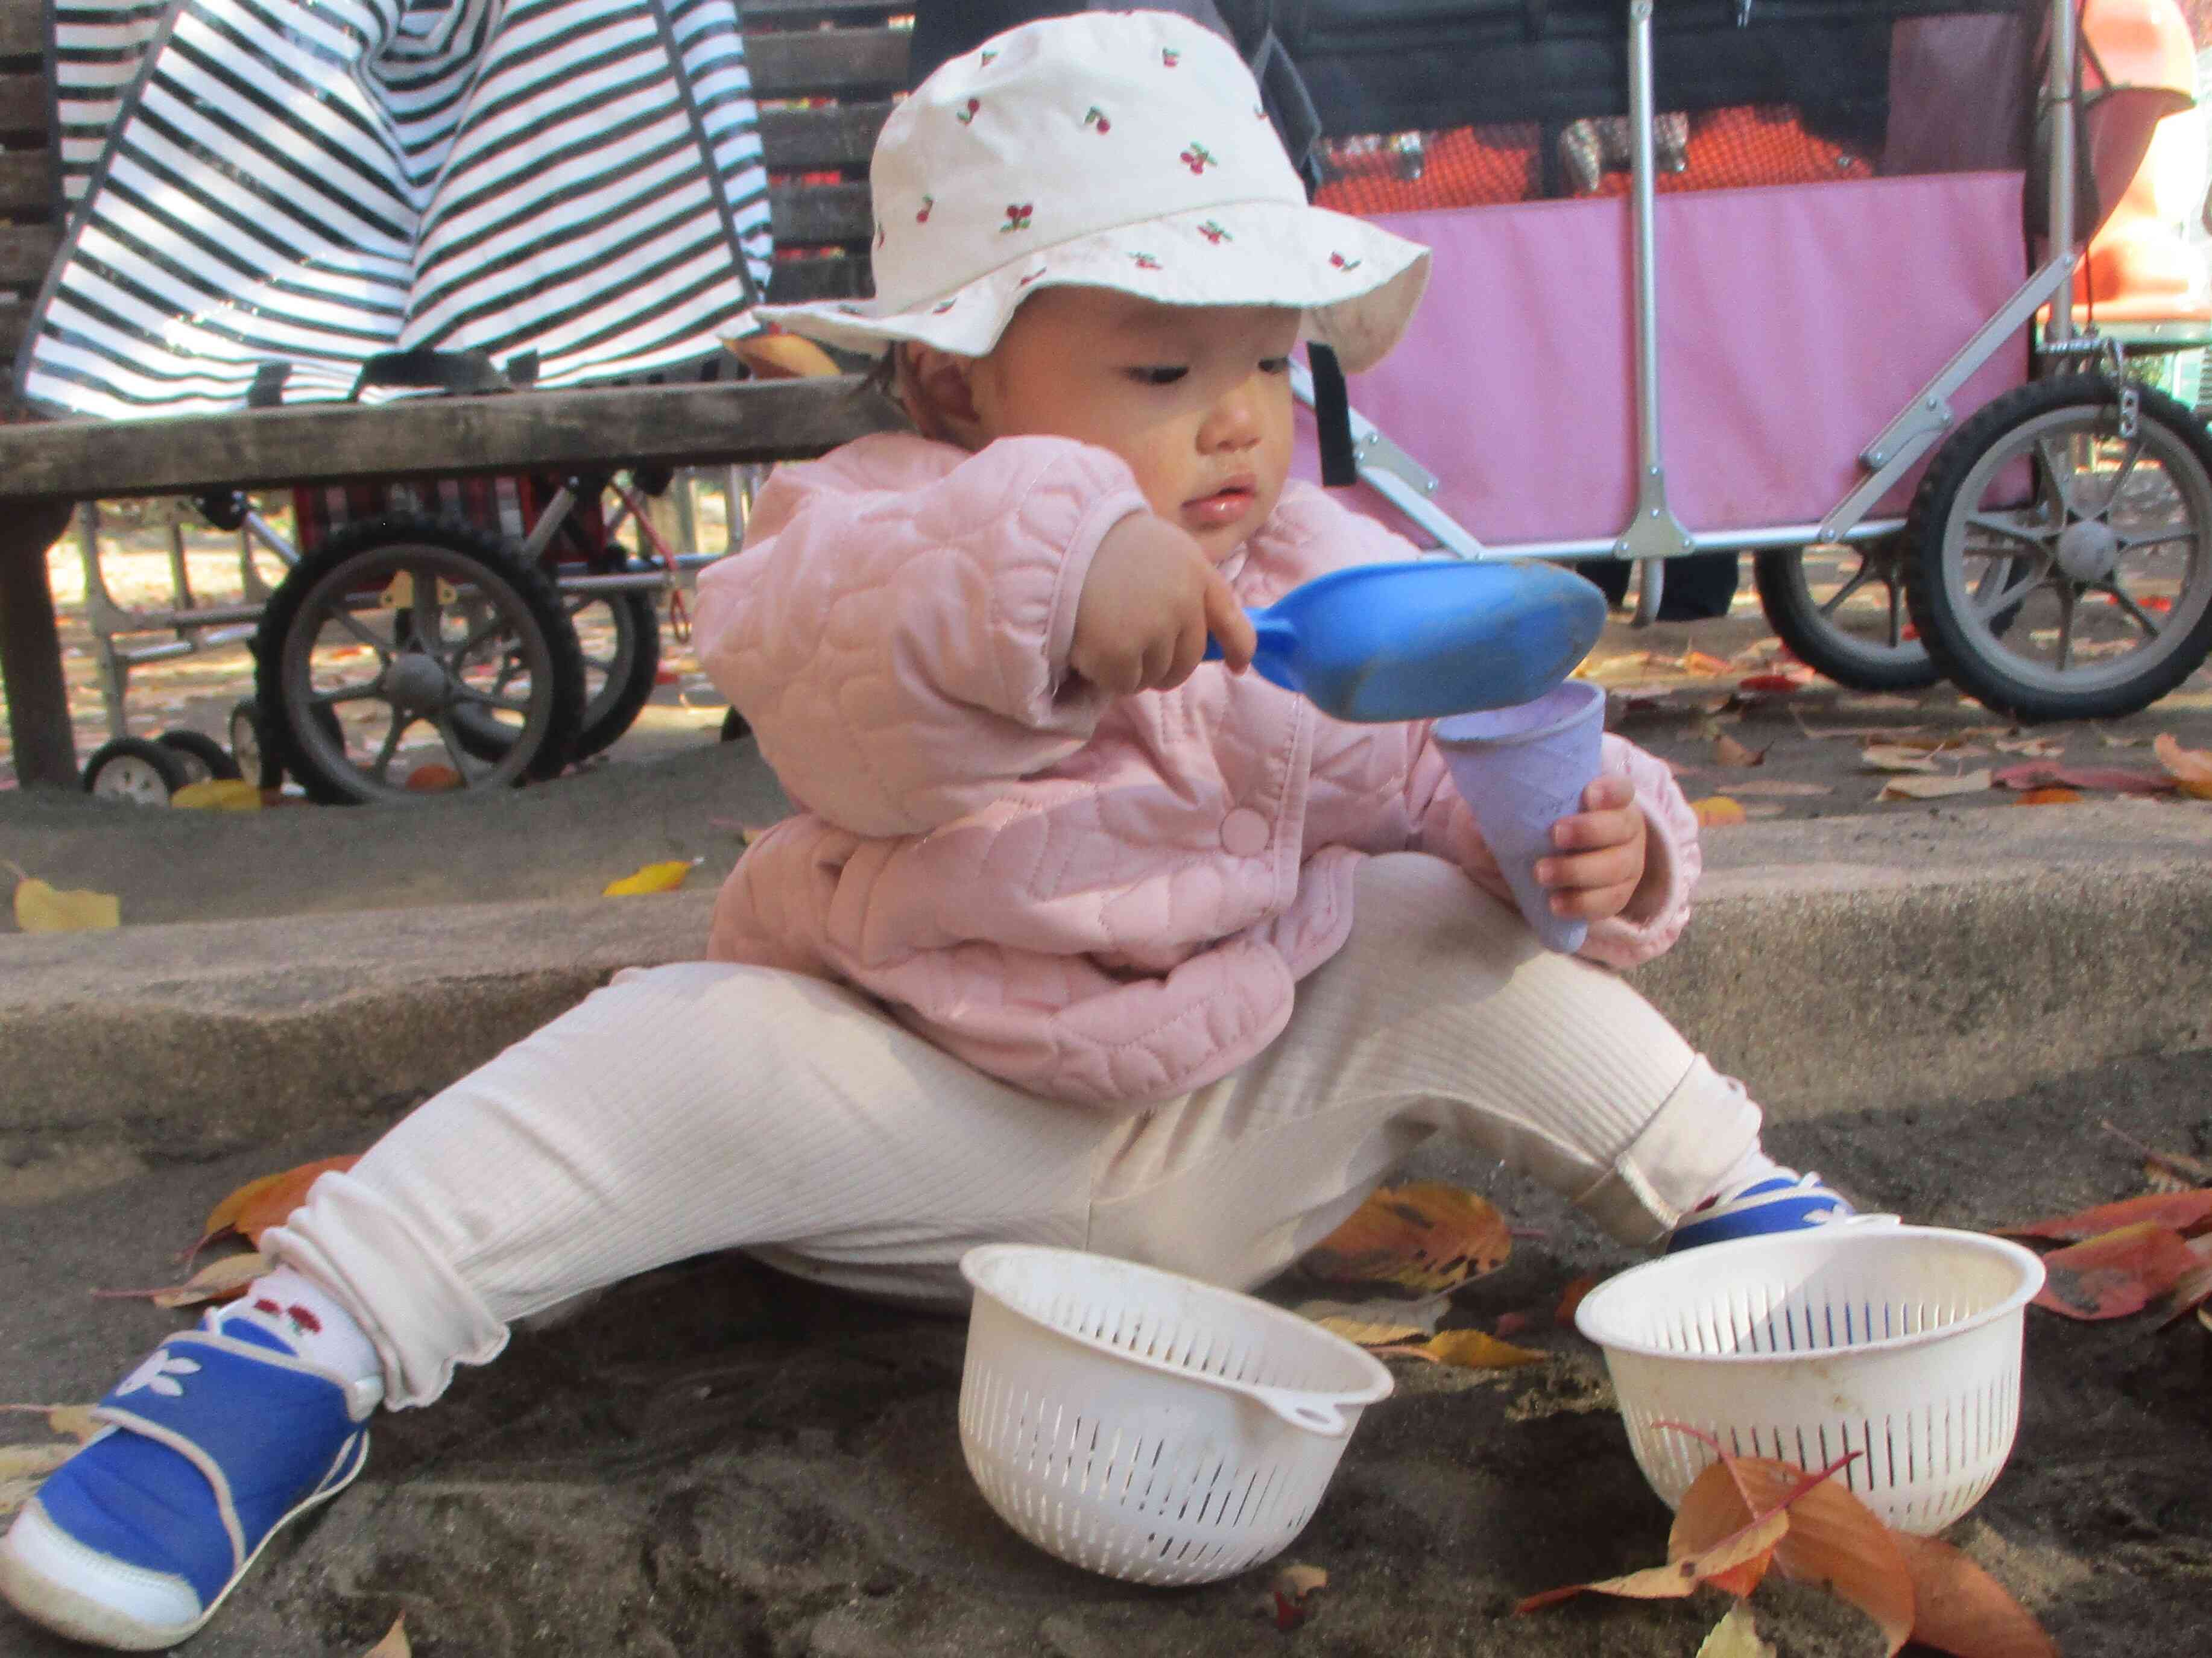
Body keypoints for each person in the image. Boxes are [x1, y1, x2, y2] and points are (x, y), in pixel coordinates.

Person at [0, 13, 1857, 1651]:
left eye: (1267, 368)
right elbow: (830, 676)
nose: (1232, 427)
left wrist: (1584, 834)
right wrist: (1055, 567)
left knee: (1423, 926)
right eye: (1154, 374)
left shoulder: (1314, 571)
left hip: (1226, 1138)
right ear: (962, 382)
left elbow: (1440, 785)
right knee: (676, 1038)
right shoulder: (872, 522)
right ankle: (305, 1355)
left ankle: (1745, 1220)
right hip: (922, 1131)